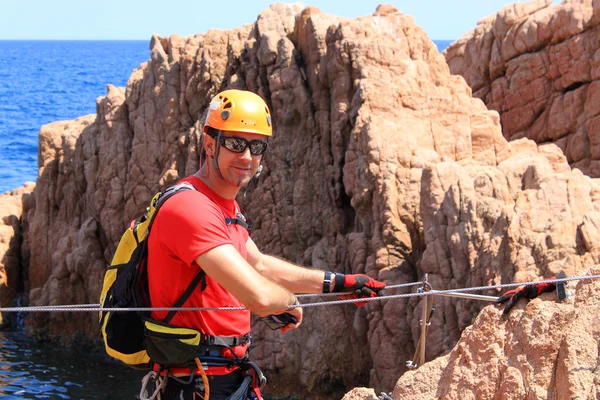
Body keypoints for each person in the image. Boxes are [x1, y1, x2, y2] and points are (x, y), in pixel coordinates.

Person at [145, 89, 386, 400]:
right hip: (198, 383)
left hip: (226, 377)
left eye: (256, 146)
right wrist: (289, 302)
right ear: (209, 143)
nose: (246, 157)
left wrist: (340, 283)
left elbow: (258, 265)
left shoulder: (224, 207)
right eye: (235, 143)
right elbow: (259, 296)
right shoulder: (190, 208)